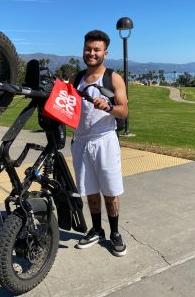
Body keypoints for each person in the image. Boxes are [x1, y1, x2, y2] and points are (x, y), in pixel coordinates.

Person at [71, 30, 129, 257]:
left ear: (105, 52)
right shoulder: (77, 79)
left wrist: (109, 107)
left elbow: (124, 111)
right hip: (81, 141)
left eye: (96, 50)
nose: (91, 53)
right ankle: (96, 230)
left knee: (110, 191)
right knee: (90, 191)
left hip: (105, 140)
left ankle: (115, 233)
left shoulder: (113, 78)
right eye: (88, 49)